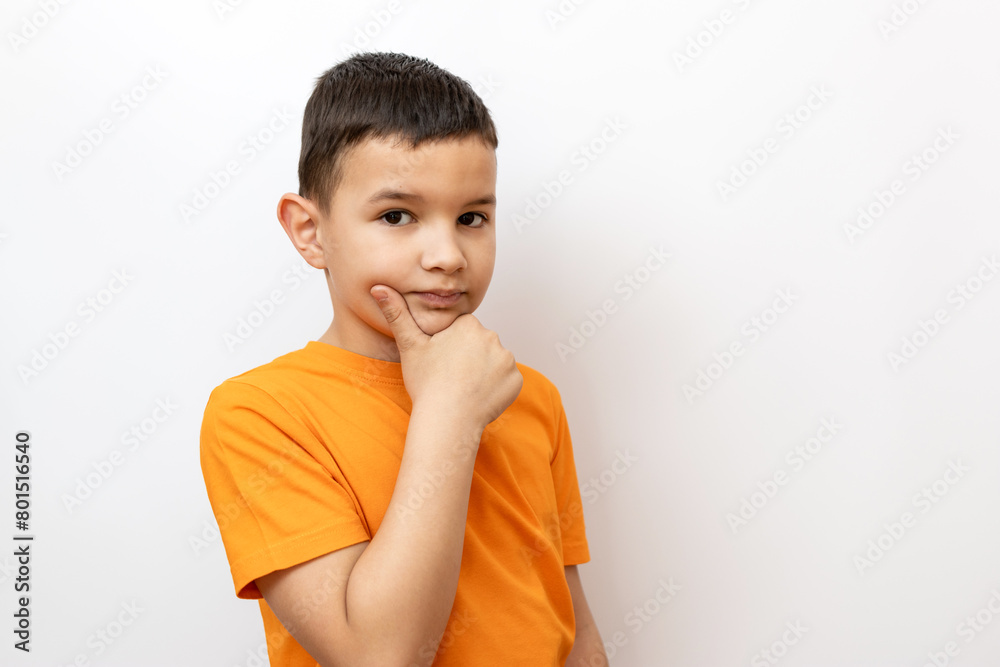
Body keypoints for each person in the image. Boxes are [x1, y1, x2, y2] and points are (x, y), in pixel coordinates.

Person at [199, 51, 608, 666]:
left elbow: (569, 623)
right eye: (397, 216)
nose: (447, 254)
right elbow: (378, 657)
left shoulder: (529, 395)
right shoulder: (260, 413)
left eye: (472, 217)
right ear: (310, 232)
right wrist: (450, 414)